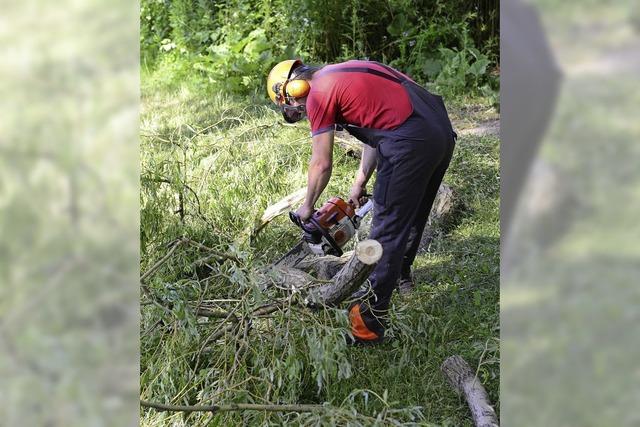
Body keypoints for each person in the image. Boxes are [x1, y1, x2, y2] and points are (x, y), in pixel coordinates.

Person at [267, 59, 456, 344]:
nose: (301, 114)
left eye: (295, 109)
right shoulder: (341, 73)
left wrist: (307, 207)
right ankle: (401, 277)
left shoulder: (317, 93)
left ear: (293, 90)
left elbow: (321, 163)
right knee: (413, 212)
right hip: (438, 130)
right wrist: (360, 182)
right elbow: (374, 129)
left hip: (408, 140)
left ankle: (368, 326)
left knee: (384, 232)